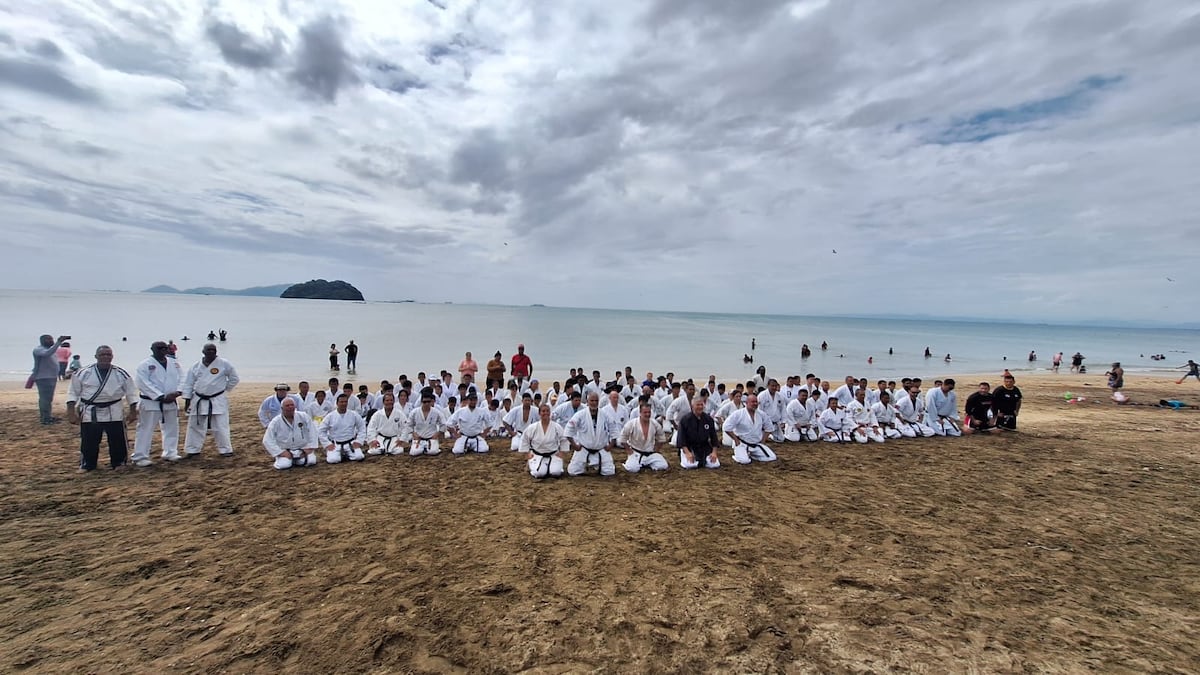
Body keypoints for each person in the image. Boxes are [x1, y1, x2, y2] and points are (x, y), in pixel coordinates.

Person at [66, 345, 138, 471]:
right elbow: (73, 393)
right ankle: (88, 464)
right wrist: (71, 413)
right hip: (90, 410)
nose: (105, 357)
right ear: (96, 356)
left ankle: (119, 462)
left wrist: (133, 412)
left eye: (108, 354)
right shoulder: (83, 373)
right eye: (102, 355)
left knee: (117, 439)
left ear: (112, 356)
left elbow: (131, 393)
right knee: (89, 440)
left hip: (114, 409)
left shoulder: (120, 373)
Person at [181, 343, 241, 457]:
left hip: (217, 398)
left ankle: (225, 450)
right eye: (209, 350)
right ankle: (192, 450)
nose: (211, 352)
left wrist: (224, 390)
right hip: (199, 398)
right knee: (195, 425)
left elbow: (234, 378)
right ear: (203, 351)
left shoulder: (224, 363)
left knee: (220, 426)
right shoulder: (195, 366)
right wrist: (187, 400)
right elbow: (188, 384)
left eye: (213, 350)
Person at [131, 341, 185, 466]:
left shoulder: (174, 363)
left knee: (172, 428)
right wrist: (160, 396)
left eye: (165, 348)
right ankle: (140, 456)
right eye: (159, 348)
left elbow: (182, 378)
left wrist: (178, 391)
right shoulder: (144, 365)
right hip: (151, 401)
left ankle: (170, 452)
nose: (162, 350)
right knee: (145, 429)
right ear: (152, 349)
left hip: (171, 400)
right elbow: (142, 383)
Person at [566, 392, 616, 476]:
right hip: (584, 449)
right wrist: (575, 445)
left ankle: (597, 465)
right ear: (587, 401)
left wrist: (611, 445)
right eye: (592, 400)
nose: (594, 403)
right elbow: (568, 430)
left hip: (601, 449)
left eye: (596, 401)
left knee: (609, 472)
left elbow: (614, 430)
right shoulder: (580, 415)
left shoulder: (605, 414)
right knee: (573, 471)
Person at [262, 398, 319, 469]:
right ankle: (281, 460)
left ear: (295, 407)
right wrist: (281, 452)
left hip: (302, 449)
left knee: (311, 461)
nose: (290, 407)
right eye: (287, 405)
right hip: (285, 450)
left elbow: (313, 432)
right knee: (284, 465)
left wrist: (309, 448)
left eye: (292, 405)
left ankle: (295, 460)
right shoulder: (276, 421)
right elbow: (267, 440)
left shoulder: (303, 416)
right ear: (282, 408)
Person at [722, 393, 778, 464]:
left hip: (756, 444)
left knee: (772, 457)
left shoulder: (761, 414)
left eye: (756, 402)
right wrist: (736, 440)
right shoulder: (738, 414)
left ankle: (752, 455)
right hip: (741, 443)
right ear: (746, 403)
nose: (755, 404)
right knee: (744, 461)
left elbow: (769, 428)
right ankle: (738, 456)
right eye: (753, 402)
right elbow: (726, 427)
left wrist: (763, 441)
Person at [620, 401, 669, 472]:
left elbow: (661, 438)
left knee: (663, 466)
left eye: (649, 412)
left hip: (650, 453)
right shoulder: (632, 424)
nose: (647, 414)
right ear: (640, 412)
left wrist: (657, 450)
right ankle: (638, 463)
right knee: (632, 469)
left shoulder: (654, 424)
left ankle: (646, 463)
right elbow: (622, 438)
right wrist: (628, 450)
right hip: (636, 453)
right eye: (645, 412)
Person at [522, 404, 569, 478]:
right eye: (543, 411)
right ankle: (530, 464)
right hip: (537, 455)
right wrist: (527, 454)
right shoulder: (533, 427)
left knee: (556, 473)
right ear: (539, 413)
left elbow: (564, 439)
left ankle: (550, 467)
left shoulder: (556, 426)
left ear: (550, 413)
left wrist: (562, 452)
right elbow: (525, 439)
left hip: (553, 454)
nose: (545, 413)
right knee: (539, 474)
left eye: (547, 411)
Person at [32, 334, 70, 425]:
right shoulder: (38, 349)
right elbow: (47, 353)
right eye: (48, 339)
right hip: (43, 377)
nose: (51, 341)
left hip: (50, 377)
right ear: (42, 341)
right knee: (45, 399)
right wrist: (59, 342)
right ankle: (45, 418)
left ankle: (47, 416)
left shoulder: (51, 350)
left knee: (48, 399)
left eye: (51, 339)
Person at [319, 393, 366, 463]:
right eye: (341, 402)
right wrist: (327, 444)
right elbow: (321, 431)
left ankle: (346, 454)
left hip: (350, 443)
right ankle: (335, 454)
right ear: (337, 403)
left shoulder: (354, 414)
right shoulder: (330, 416)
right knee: (333, 460)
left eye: (345, 402)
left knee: (359, 456)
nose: (344, 404)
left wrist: (359, 441)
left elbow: (362, 427)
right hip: (335, 444)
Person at [676, 397, 720, 469]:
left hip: (704, 447)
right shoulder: (685, 420)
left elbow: (714, 437)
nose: (700, 407)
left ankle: (702, 461)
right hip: (689, 447)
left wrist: (714, 452)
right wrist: (687, 453)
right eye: (698, 405)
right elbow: (681, 438)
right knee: (690, 465)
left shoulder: (708, 419)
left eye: (701, 405)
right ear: (692, 406)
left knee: (715, 465)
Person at [366, 392, 410, 456]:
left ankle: (385, 450)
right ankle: (384, 450)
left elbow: (405, 427)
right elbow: (371, 428)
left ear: (394, 401)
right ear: (383, 402)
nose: (389, 402)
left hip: (394, 438)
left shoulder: (399, 413)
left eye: (391, 400)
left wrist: (401, 439)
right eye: (387, 400)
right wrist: (373, 439)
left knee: (399, 451)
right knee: (373, 451)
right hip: (381, 438)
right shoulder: (377, 414)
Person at [408, 391, 447, 456]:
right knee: (414, 453)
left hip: (431, 438)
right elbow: (409, 424)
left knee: (433, 452)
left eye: (428, 402)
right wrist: (413, 434)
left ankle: (431, 448)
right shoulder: (415, 412)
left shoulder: (436, 412)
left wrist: (438, 434)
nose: (426, 404)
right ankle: (424, 448)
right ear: (421, 402)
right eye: (424, 402)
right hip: (419, 438)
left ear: (431, 402)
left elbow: (443, 424)